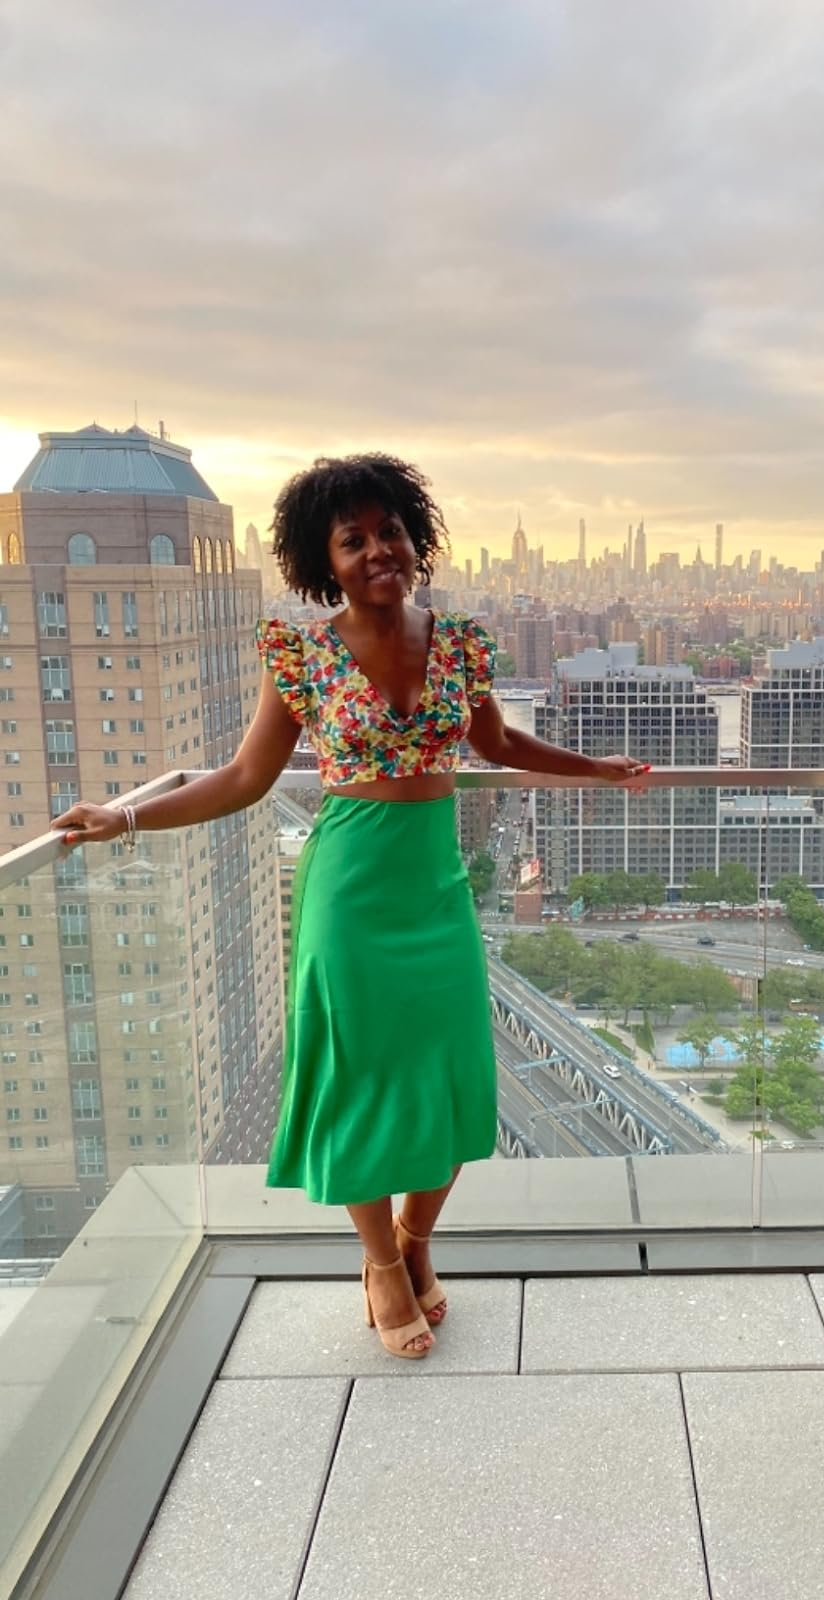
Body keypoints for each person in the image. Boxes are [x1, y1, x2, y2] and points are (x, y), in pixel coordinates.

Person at [53, 453, 649, 1360]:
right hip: (349, 890)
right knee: (360, 1076)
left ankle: (416, 1239)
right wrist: (125, 815)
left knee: (452, 1073)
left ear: (417, 539)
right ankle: (379, 1262)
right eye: (354, 539)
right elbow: (245, 779)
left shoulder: (459, 644)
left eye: (391, 532)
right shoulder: (300, 653)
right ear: (321, 559)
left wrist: (593, 768)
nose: (379, 550)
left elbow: (494, 741)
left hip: (433, 886)